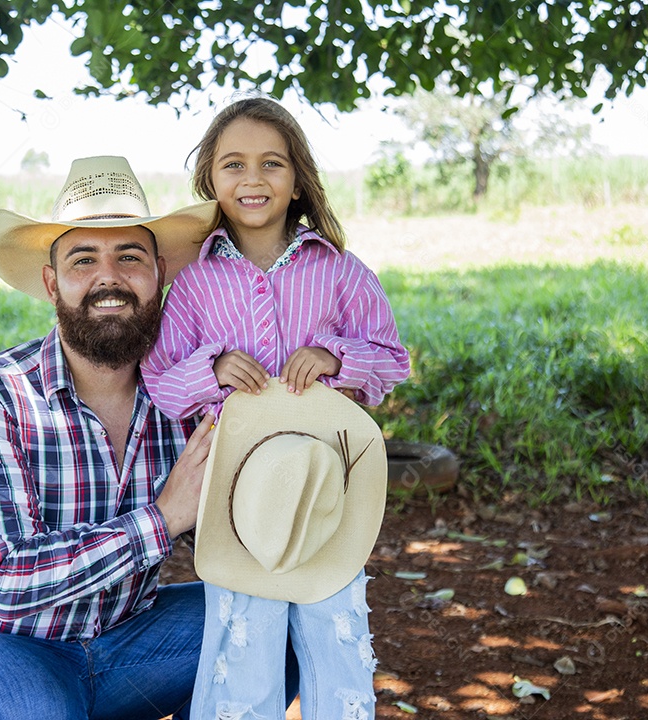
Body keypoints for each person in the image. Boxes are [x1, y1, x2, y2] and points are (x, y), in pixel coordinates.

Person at [0, 156, 222, 720]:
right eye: (83, 259)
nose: (108, 277)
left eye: (129, 257)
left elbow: (231, 541)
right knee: (34, 708)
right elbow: (2, 580)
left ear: (160, 273)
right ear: (51, 281)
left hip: (120, 646)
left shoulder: (183, 400)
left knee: (267, 625)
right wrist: (161, 521)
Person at [141, 97, 412, 718]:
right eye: (233, 164)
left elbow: (392, 360)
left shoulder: (340, 270)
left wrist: (336, 357)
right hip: (238, 494)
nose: (253, 179)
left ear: (297, 182)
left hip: (325, 487)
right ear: (210, 178)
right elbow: (159, 381)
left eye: (272, 164)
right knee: (243, 636)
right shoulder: (194, 282)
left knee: (334, 633)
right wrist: (210, 370)